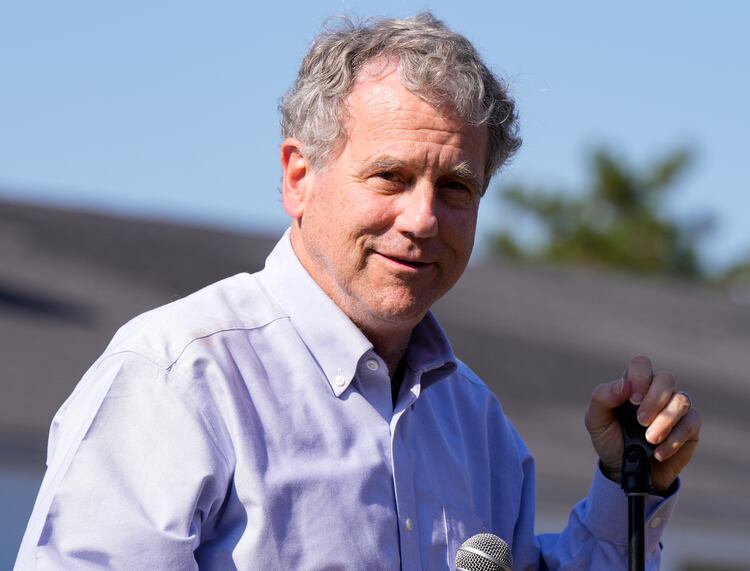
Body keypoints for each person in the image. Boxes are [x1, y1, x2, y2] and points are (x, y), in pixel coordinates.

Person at [16, 12, 701, 570]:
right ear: (298, 177)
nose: (423, 219)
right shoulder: (179, 378)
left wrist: (630, 481)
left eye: (455, 187)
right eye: (390, 177)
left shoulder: (478, 425)